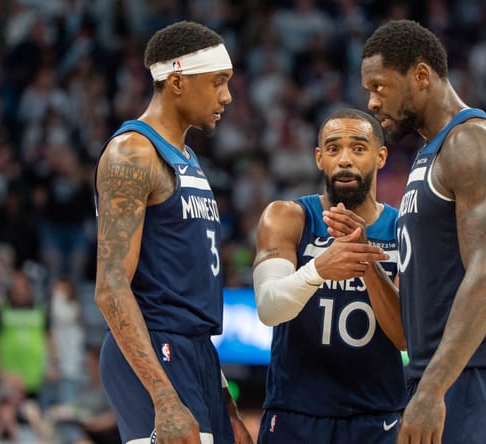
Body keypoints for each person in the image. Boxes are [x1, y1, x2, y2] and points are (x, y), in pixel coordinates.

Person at [346, 19, 486, 444]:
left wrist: (434, 388)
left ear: (420, 75)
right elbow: (409, 327)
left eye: (379, 87)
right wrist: (366, 264)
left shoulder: (473, 143)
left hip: (480, 370)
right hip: (438, 372)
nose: (372, 102)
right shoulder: (429, 156)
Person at [93, 21, 251, 444]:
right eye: (218, 82)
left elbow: (190, 299)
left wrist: (225, 401)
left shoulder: (187, 158)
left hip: (195, 351)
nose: (227, 96)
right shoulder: (133, 153)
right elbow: (110, 287)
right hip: (156, 348)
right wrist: (163, 396)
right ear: (178, 82)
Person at [252, 108, 405, 443]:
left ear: (380, 157)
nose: (345, 160)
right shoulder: (287, 217)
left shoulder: (402, 229)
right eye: (334, 149)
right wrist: (320, 269)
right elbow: (269, 308)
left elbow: (405, 336)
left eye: (359, 148)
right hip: (295, 415)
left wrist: (365, 263)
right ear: (319, 158)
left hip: (376, 418)